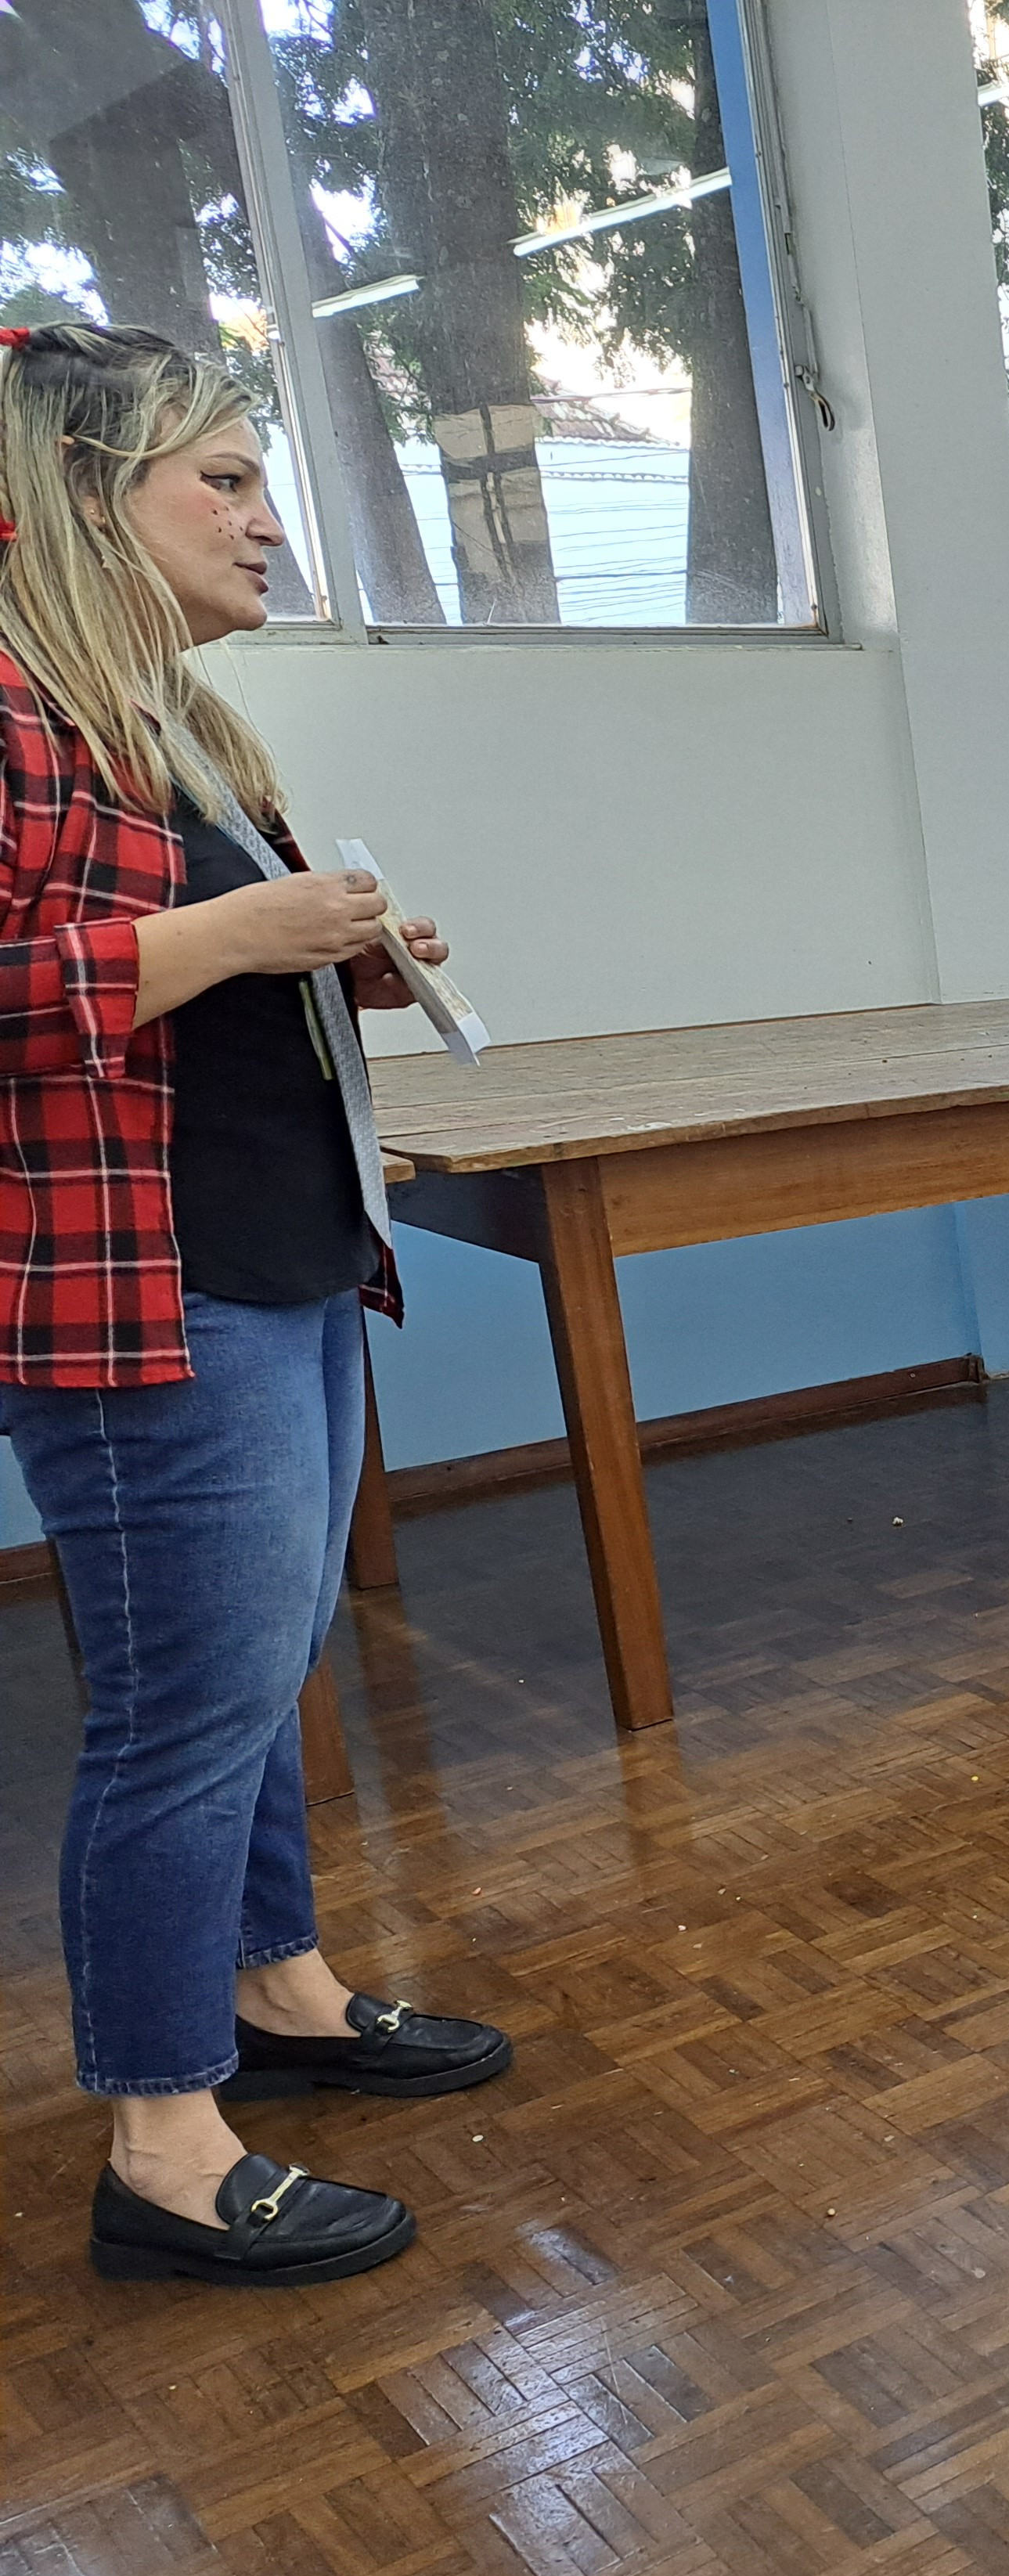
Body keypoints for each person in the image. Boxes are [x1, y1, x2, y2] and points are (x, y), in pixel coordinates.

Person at [0, 322, 503, 2290]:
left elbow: (170, 979)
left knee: (261, 1662)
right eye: (221, 479)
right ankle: (162, 2144)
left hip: (274, 1257)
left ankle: (275, 1986)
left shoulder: (173, 721)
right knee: (182, 1707)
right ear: (80, 492)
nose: (266, 520)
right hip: (140, 1298)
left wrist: (324, 963)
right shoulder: (16, 709)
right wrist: (232, 930)